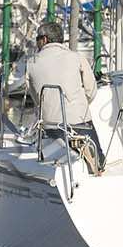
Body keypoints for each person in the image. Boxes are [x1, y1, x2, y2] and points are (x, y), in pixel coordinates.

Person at [25, 21, 101, 163]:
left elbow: (36, 97)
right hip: (79, 121)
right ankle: (98, 164)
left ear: (44, 40)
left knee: (58, 163)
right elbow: (91, 90)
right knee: (97, 162)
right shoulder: (76, 57)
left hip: (50, 125)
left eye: (37, 39)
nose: (36, 43)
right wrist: (77, 105)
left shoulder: (31, 62)